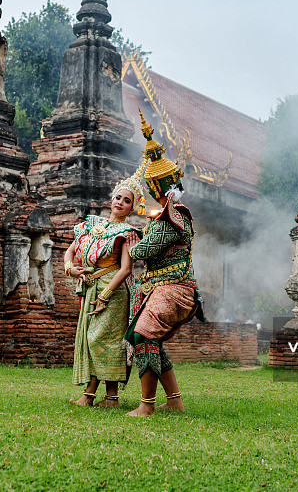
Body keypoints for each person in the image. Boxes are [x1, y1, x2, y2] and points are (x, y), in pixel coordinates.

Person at [124, 109, 205, 417]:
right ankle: (174, 400)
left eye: (151, 187)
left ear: (158, 187)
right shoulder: (168, 214)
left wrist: (131, 248)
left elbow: (146, 249)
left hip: (175, 288)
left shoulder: (173, 217)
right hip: (164, 287)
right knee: (151, 341)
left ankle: (146, 406)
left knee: (142, 335)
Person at [64, 161, 146, 408]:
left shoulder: (128, 232)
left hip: (113, 290)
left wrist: (106, 295)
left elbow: (126, 269)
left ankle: (89, 396)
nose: (120, 202)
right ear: (112, 199)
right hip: (91, 287)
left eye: (127, 201)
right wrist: (71, 269)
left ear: (133, 208)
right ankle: (110, 398)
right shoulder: (91, 225)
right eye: (118, 197)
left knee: (101, 340)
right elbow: (69, 253)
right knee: (96, 340)